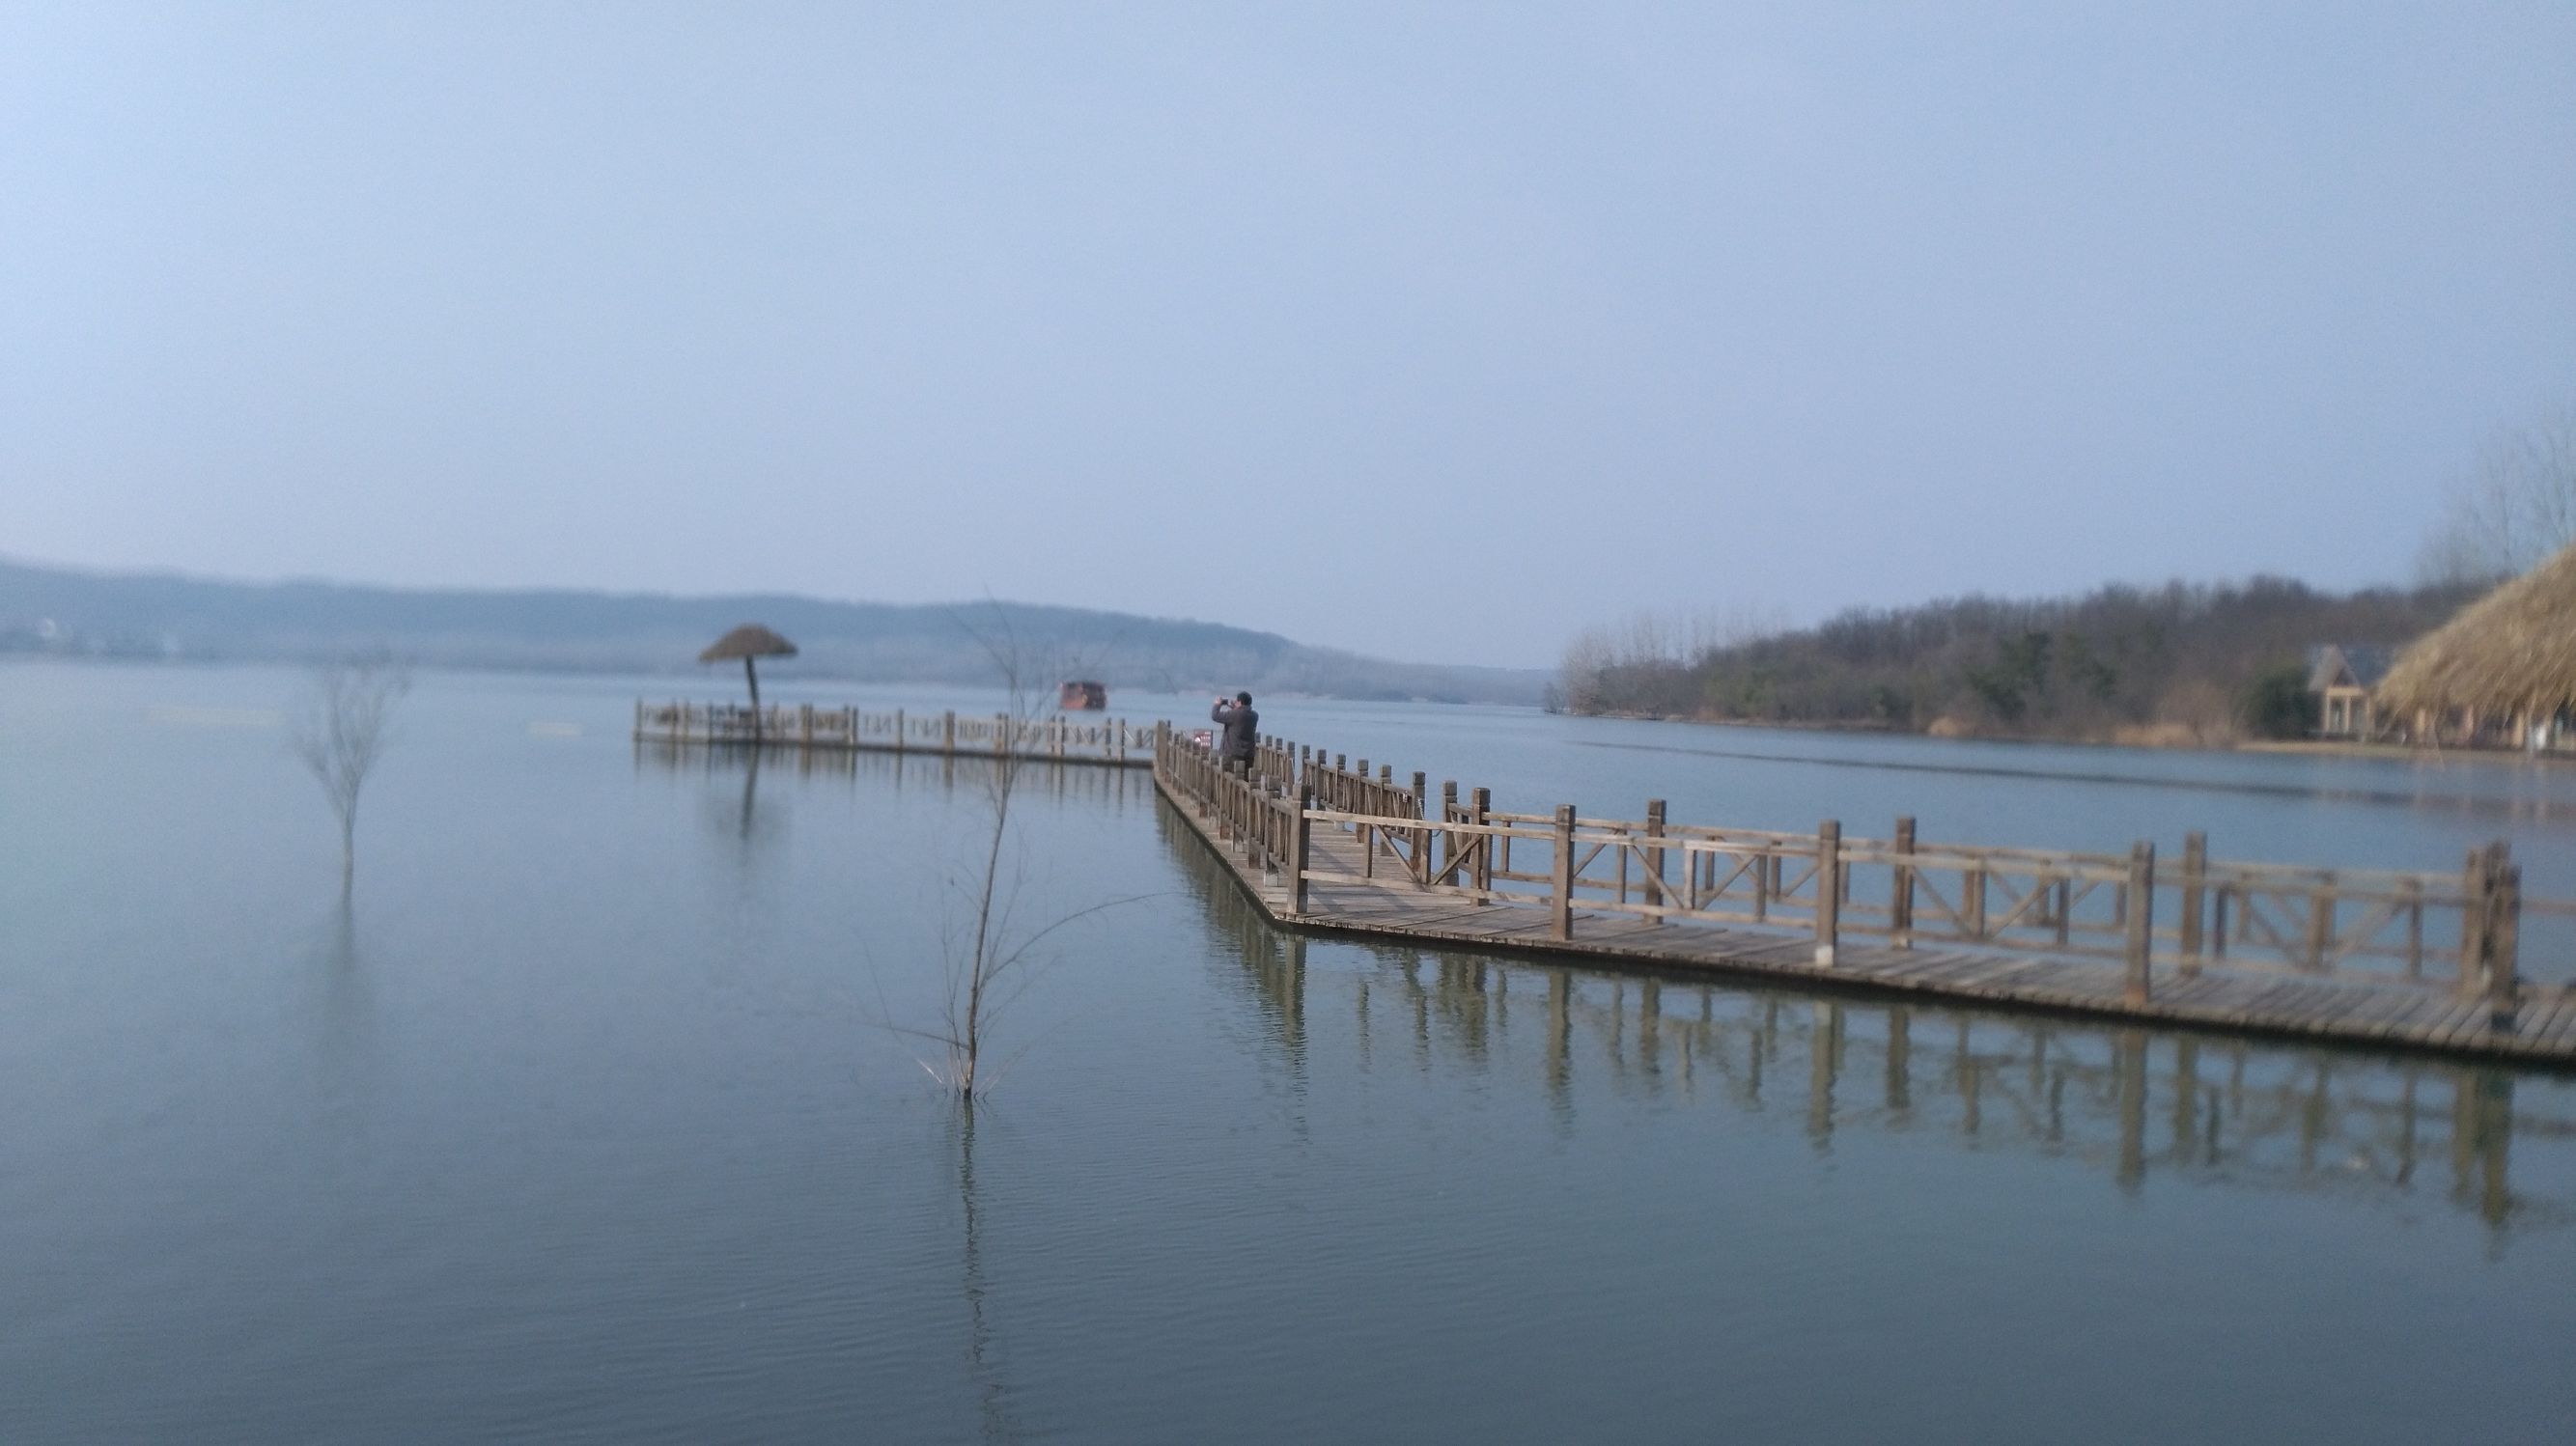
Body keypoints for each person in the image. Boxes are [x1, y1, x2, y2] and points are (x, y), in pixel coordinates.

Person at [1211, 691, 1259, 776]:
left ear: (1239, 702)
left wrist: (1217, 704)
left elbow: (1215, 716)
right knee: (1245, 779)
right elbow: (1240, 715)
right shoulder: (1254, 715)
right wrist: (1235, 708)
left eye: (1236, 701)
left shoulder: (1235, 715)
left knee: (1229, 780)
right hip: (1248, 755)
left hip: (1232, 755)